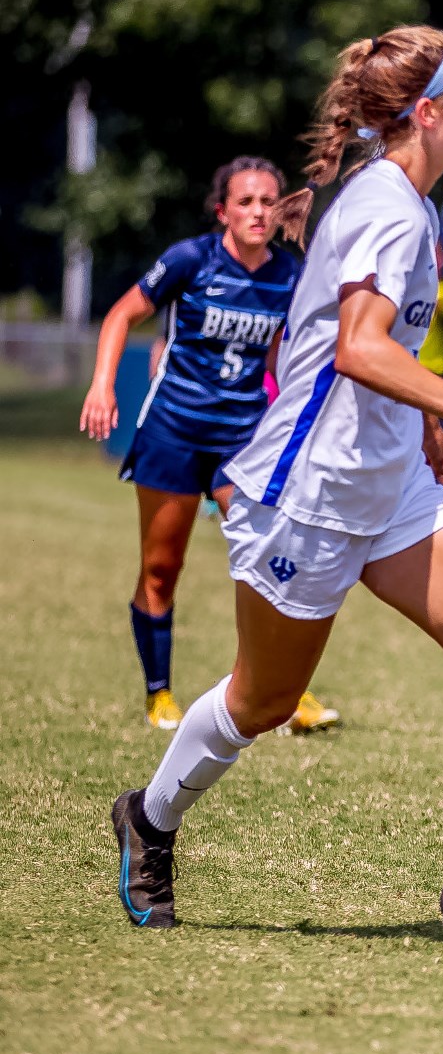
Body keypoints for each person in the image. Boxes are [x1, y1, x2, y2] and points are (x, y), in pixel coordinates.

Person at [109, 25, 443, 944]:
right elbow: (358, 350)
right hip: (308, 495)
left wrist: (427, 418)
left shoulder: (410, 203)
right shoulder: (389, 209)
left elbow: (363, 343)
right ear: (427, 114)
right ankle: (149, 820)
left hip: (391, 485)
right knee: (262, 702)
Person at [80, 156, 338, 736]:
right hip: (174, 430)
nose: (258, 212)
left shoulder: (290, 274)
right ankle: (159, 694)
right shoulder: (190, 259)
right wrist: (102, 385)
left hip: (242, 439)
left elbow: (286, 355)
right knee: (161, 567)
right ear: (223, 211)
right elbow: (121, 315)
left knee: (267, 560)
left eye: (268, 201)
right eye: (245, 201)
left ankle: (283, 692)